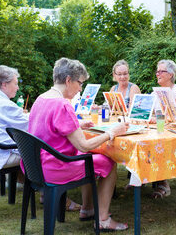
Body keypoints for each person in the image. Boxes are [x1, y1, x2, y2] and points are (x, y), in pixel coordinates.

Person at [28, 57, 129, 231]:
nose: (80, 88)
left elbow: (48, 127)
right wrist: (112, 132)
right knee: (108, 162)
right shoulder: (62, 104)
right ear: (68, 80)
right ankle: (102, 218)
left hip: (36, 165)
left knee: (90, 158)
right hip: (56, 167)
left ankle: (88, 208)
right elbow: (84, 146)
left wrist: (77, 125)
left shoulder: (41, 98)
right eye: (80, 83)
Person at [151, 59, 176, 199]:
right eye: (157, 71)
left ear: (171, 75)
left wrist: (157, 119)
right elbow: (150, 113)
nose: (157, 74)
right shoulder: (156, 92)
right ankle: (139, 179)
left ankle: (163, 183)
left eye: (161, 71)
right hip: (159, 130)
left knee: (158, 145)